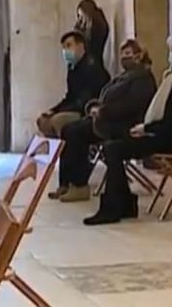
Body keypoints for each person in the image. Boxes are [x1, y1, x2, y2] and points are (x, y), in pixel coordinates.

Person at [85, 29, 172, 226]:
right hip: (165, 133)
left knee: (114, 149)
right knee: (113, 146)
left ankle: (114, 208)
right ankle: (124, 204)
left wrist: (147, 129)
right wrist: (147, 128)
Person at [48, 40, 158, 202]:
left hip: (124, 125)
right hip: (107, 119)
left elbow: (132, 105)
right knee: (68, 129)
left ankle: (79, 185)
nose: (124, 57)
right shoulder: (124, 76)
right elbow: (106, 97)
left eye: (128, 53)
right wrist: (94, 107)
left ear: (140, 55)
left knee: (75, 133)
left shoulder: (143, 78)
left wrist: (103, 111)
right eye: (122, 54)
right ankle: (66, 183)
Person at [37, 31, 111, 138]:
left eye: (68, 45)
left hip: (87, 111)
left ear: (80, 46)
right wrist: (53, 110)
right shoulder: (72, 69)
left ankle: (67, 148)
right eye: (63, 48)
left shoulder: (93, 68)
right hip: (75, 108)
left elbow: (85, 100)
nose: (65, 51)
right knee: (43, 121)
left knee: (58, 120)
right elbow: (70, 96)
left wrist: (59, 112)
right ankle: (54, 147)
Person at [75, 0, 111, 67]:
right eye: (79, 16)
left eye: (81, 16)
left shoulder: (98, 27)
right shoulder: (87, 27)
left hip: (92, 64)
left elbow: (91, 47)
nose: (80, 19)